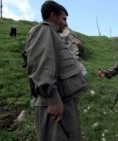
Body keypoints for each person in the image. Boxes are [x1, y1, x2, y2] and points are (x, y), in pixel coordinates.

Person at [26, 1, 88, 141]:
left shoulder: (53, 35)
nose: (66, 24)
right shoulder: (43, 30)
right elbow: (41, 66)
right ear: (53, 16)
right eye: (63, 19)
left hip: (63, 101)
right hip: (54, 104)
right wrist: (53, 100)